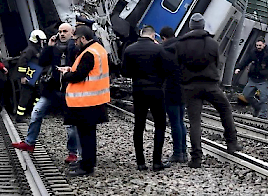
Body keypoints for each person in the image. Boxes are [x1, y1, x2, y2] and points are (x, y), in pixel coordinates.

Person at [175, 13, 241, 168]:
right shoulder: (212, 43)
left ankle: (196, 158)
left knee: (195, 121)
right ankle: (231, 144)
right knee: (225, 109)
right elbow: (217, 63)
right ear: (203, 26)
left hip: (190, 87)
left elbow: (177, 66)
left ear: (191, 27)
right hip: (211, 85)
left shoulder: (180, 44)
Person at [11, 23, 81, 164]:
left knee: (71, 124)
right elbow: (42, 62)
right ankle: (30, 142)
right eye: (60, 31)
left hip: (69, 90)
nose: (61, 34)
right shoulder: (54, 48)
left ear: (72, 33)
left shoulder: (76, 48)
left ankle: (73, 152)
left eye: (65, 31)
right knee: (36, 112)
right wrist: (49, 47)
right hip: (52, 88)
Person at [58, 25, 110, 177]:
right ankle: (88, 162)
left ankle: (86, 166)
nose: (74, 42)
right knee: (89, 135)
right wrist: (71, 69)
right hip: (95, 99)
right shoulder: (98, 49)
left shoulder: (88, 53)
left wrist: (66, 75)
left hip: (85, 101)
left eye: (76, 39)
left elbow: (79, 75)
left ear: (82, 38)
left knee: (85, 136)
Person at [121, 25, 171, 171]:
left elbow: (124, 72)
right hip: (156, 90)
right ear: (153, 35)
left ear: (141, 34)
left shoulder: (130, 49)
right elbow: (166, 70)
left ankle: (140, 162)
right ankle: (157, 162)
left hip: (138, 91)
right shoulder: (160, 49)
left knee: (139, 126)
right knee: (160, 125)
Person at [159, 26, 187, 164]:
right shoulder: (183, 48)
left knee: (175, 122)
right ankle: (184, 152)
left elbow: (162, 72)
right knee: (181, 121)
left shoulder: (165, 51)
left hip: (170, 90)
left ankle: (178, 154)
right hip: (183, 89)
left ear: (163, 37)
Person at [236, 38, 268, 119]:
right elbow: (245, 61)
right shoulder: (253, 52)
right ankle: (257, 107)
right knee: (246, 95)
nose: (258, 47)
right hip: (253, 78)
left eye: (260, 45)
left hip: (263, 79)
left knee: (263, 98)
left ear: (264, 44)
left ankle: (263, 116)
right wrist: (239, 68)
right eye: (257, 45)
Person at [14, 29, 47, 123]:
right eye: (41, 40)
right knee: (25, 97)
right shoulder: (29, 50)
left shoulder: (37, 49)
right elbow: (22, 63)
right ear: (36, 39)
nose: (43, 42)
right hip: (29, 77)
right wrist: (22, 76)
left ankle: (35, 113)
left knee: (37, 95)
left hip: (35, 77)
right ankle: (19, 117)